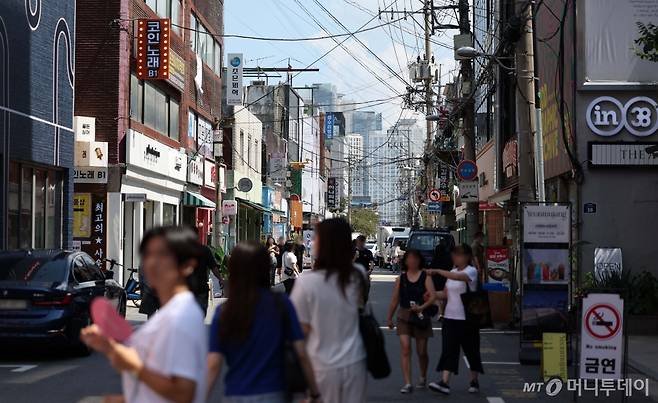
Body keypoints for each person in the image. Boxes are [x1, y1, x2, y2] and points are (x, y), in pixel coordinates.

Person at [81, 226, 208, 403]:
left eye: (163, 255)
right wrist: (110, 348)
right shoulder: (174, 312)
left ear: (187, 265)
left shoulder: (181, 317)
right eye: (147, 255)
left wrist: (133, 365)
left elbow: (184, 394)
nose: (152, 263)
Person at [207, 242, 321, 403]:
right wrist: (315, 392)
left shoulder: (225, 311)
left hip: (236, 393)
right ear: (264, 268)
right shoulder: (281, 305)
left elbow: (213, 364)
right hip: (274, 392)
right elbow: (301, 352)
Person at [290, 218, 367, 403]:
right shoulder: (357, 275)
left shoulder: (306, 283)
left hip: (321, 367)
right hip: (355, 362)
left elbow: (300, 335)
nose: (312, 242)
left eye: (317, 238)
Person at [426, 244, 484, 395]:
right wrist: (431, 296)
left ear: (467, 257)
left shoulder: (471, 271)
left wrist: (438, 271)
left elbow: (460, 278)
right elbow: (445, 294)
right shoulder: (451, 271)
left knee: (471, 350)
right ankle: (445, 382)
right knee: (449, 350)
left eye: (459, 255)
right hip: (450, 317)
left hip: (467, 319)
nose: (455, 257)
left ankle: (474, 380)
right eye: (454, 255)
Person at [386, 249, 437, 394]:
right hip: (404, 315)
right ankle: (408, 382)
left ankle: (422, 376)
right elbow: (395, 299)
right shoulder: (400, 279)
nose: (412, 261)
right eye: (409, 258)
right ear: (405, 261)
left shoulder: (425, 277)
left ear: (419, 260)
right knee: (405, 347)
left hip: (421, 315)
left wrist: (421, 307)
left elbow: (433, 296)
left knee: (422, 351)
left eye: (415, 258)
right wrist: (389, 317)